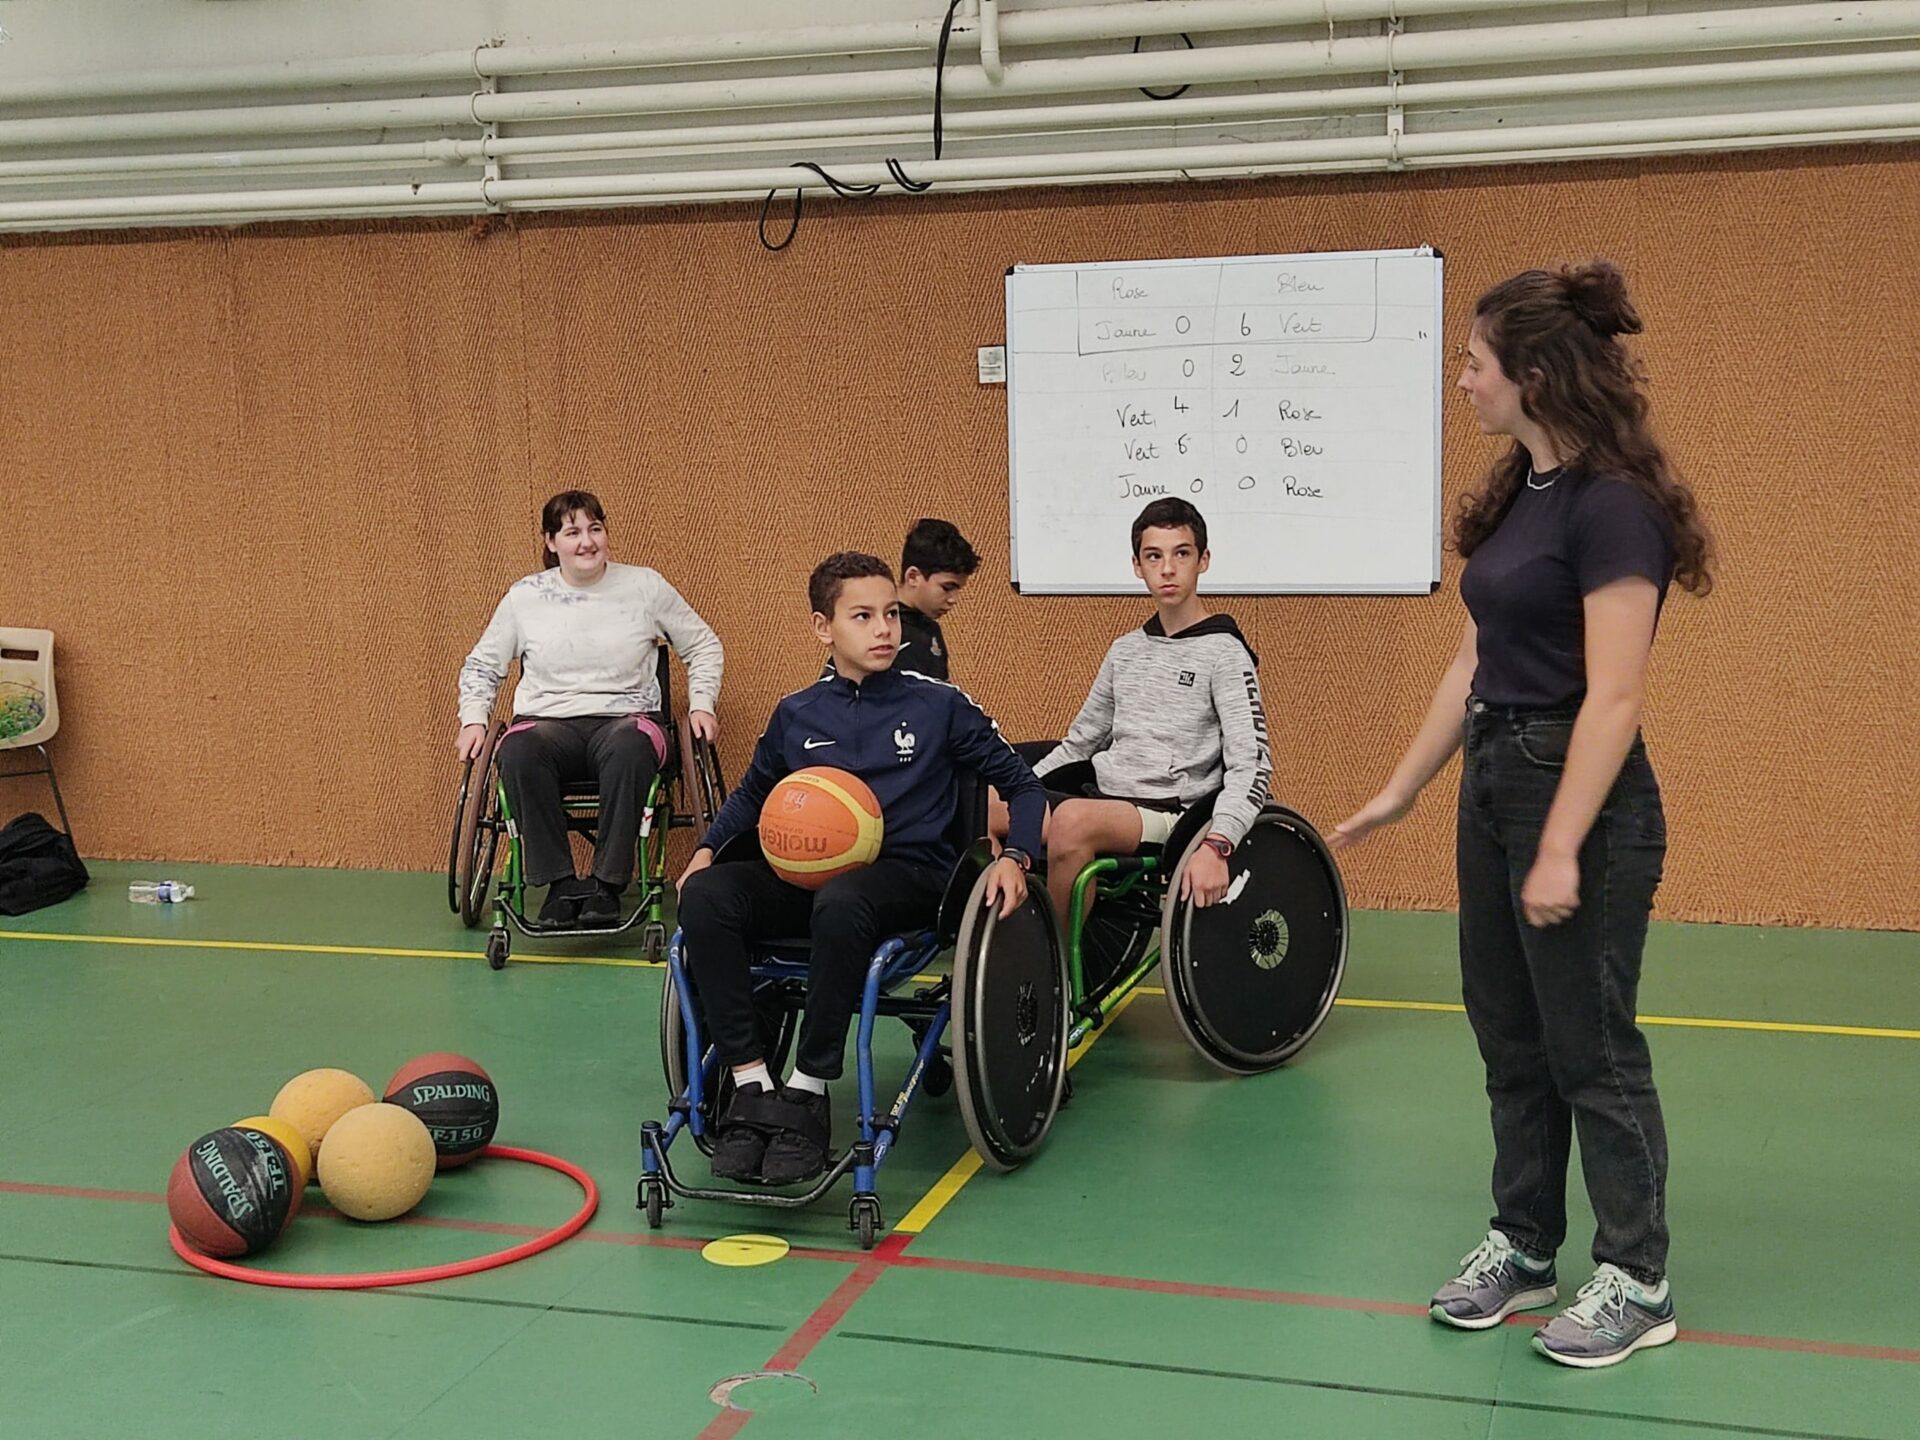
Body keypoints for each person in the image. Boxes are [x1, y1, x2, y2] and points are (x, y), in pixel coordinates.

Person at [1332, 261, 1713, 1369]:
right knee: (1507, 1035)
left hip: (1579, 795)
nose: (1462, 379)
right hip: (1496, 774)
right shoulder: (1521, 493)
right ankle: (1527, 1242)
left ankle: (1639, 1277)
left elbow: (1617, 693)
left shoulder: (1615, 509)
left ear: (1534, 375)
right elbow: (1473, 661)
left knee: (1589, 1046)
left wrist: (1559, 847)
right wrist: (1404, 788)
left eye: (1475, 362)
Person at [676, 552, 1045, 1187]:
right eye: (864, 616)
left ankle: (810, 1088)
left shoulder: (940, 705)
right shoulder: (797, 712)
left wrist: (1017, 855)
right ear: (824, 627)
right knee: (706, 898)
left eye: (892, 614)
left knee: (843, 902)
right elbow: (749, 796)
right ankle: (752, 1084)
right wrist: (706, 850)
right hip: (814, 879)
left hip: (910, 878)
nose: (884, 630)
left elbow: (1024, 787)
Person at [457, 490, 724, 929]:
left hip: (627, 719)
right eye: (572, 532)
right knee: (518, 752)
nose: (587, 541)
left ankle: (607, 885)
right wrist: (473, 718)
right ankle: (559, 885)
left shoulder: (644, 586)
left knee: (629, 749)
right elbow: (483, 665)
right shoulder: (526, 597)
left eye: (595, 529)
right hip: (547, 724)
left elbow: (703, 645)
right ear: (551, 542)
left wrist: (702, 705)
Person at [1031, 499, 1271, 952]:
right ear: (1137, 566)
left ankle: (1048, 972)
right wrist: (1022, 788)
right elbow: (1080, 744)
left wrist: (1218, 843)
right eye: (1154, 556)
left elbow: (1253, 765)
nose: (1168, 569)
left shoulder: (1225, 654)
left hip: (1168, 813)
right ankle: (993, 942)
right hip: (1103, 800)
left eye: (1181, 554)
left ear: (1204, 561)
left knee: (1070, 822)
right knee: (983, 803)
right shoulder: (1125, 650)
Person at [895, 518, 980, 681]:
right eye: (947, 588)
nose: (953, 599)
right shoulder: (876, 627)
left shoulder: (931, 630)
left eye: (958, 589)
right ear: (913, 577)